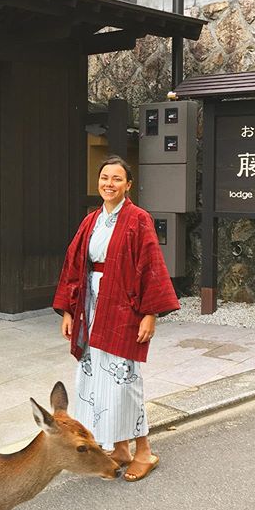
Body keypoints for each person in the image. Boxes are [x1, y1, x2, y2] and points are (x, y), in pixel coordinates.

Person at [53, 156, 180, 481]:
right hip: (90, 307)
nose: (109, 184)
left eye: (117, 179)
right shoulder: (91, 220)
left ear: (128, 185)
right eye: (105, 177)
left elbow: (151, 265)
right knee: (97, 381)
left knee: (125, 381)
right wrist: (69, 310)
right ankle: (120, 448)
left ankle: (144, 451)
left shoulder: (139, 219)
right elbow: (73, 265)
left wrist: (150, 314)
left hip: (123, 308)